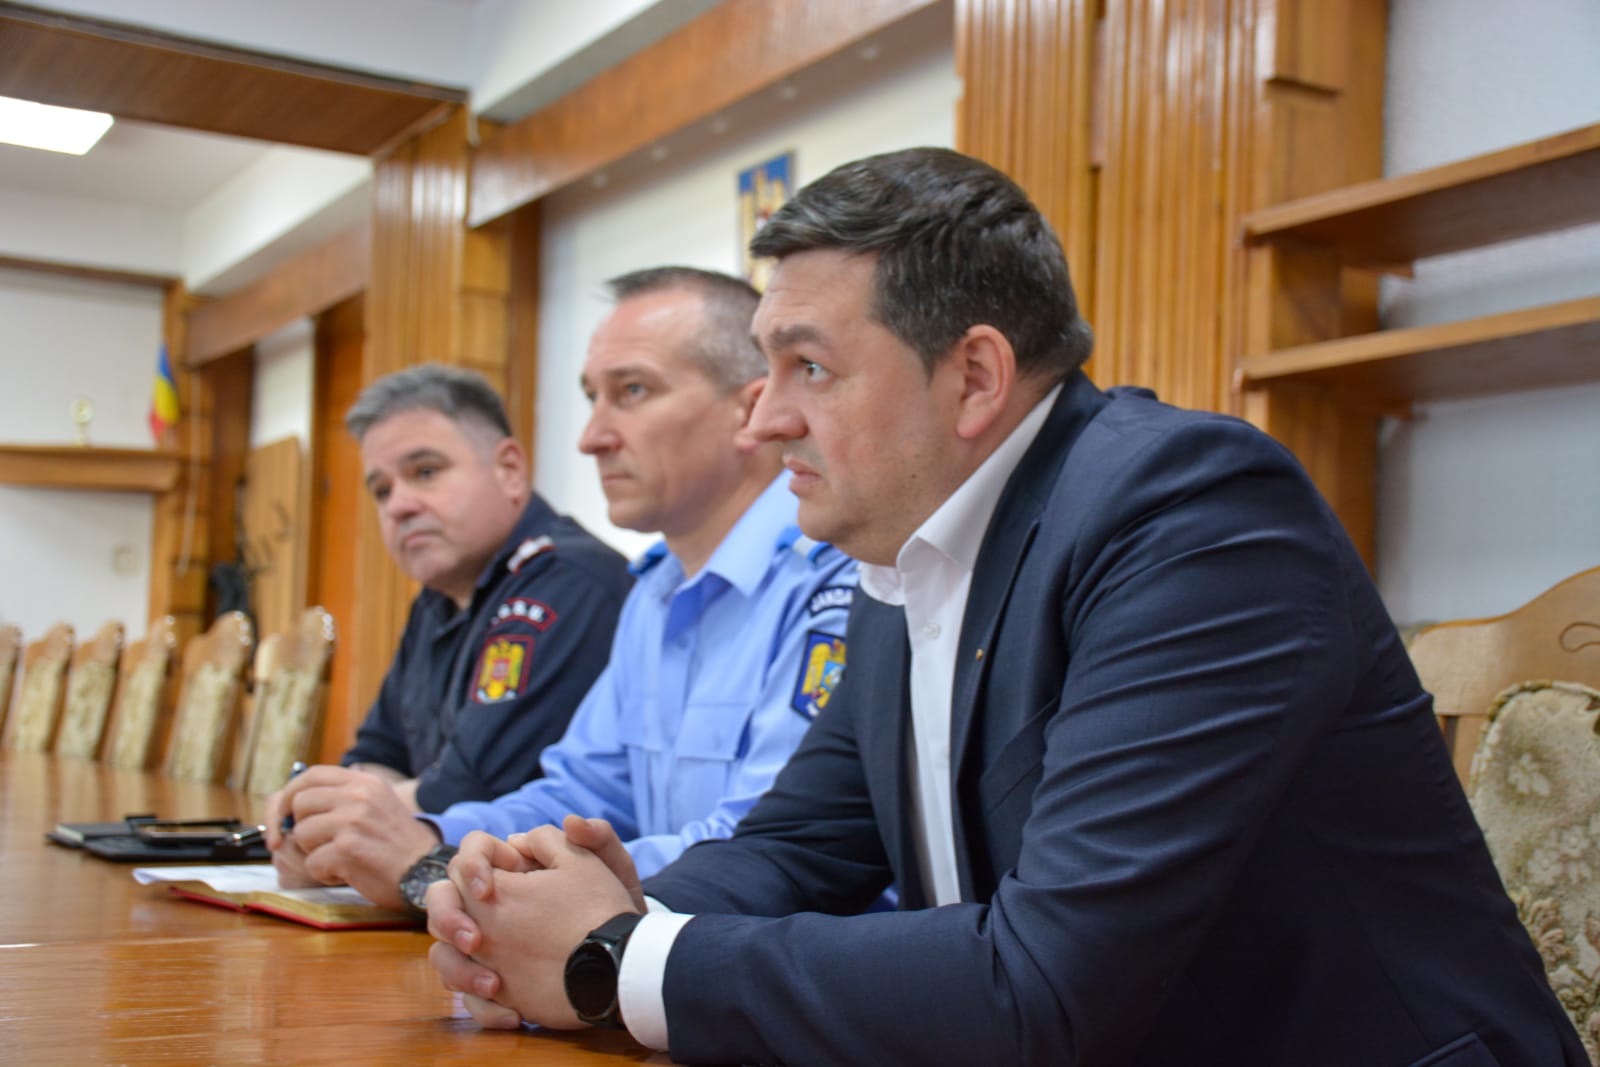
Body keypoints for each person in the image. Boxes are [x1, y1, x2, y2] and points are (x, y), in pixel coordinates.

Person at [424, 148, 1585, 1066]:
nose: (765, 419)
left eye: (808, 367)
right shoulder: (907, 556)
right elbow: (796, 845)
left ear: (974, 376)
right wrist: (565, 917)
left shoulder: (1192, 517)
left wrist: (619, 959)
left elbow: (1048, 979)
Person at [267, 267, 855, 913]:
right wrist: (428, 839)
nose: (590, 438)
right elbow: (581, 796)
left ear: (749, 410)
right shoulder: (654, 592)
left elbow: (765, 855)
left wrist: (437, 866)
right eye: (592, 397)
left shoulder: (835, 578)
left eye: (632, 391)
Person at [265, 363, 630, 825]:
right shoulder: (437, 600)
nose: (399, 505)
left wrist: (343, 812)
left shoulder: (568, 582)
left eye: (426, 472)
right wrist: (345, 808)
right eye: (382, 490)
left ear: (509, 470)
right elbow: (377, 754)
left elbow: (468, 789)